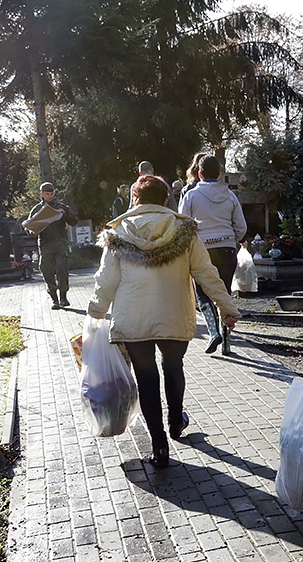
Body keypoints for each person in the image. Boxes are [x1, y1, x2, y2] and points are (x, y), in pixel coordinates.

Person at [88, 175, 241, 467]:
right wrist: (227, 307)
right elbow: (206, 272)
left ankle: (159, 447)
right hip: (174, 313)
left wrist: (96, 311)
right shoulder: (184, 230)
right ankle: (175, 421)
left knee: (146, 379)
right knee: (173, 367)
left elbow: (106, 280)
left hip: (133, 319)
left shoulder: (118, 232)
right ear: (166, 199)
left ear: (135, 199)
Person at [178, 155, 247, 355]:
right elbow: (241, 227)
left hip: (202, 251)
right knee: (224, 296)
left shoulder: (191, 196)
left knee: (202, 293)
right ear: (219, 174)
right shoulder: (230, 196)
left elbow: (183, 225)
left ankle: (213, 330)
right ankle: (226, 343)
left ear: (199, 174)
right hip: (227, 250)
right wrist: (230, 239)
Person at [27, 182, 78, 309]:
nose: (50, 196)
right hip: (45, 244)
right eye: (47, 194)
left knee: (62, 269)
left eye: (51, 193)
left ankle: (63, 297)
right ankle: (54, 298)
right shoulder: (36, 209)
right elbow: (28, 226)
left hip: (60, 243)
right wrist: (33, 232)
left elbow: (74, 221)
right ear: (42, 194)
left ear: (54, 193)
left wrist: (64, 214)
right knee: (46, 270)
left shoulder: (61, 207)